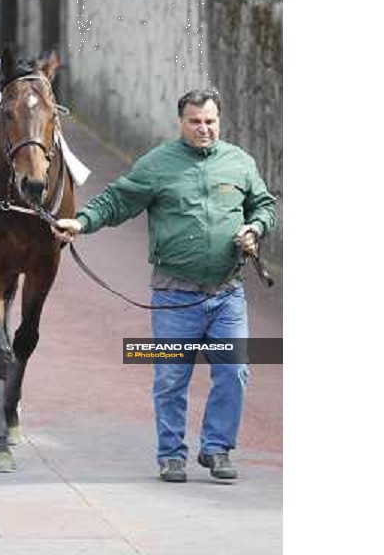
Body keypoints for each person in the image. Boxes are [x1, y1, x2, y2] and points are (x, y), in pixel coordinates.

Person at [53, 89, 277, 483]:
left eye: (210, 121)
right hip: (175, 296)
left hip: (228, 294)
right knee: (172, 378)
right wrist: (81, 222)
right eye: (195, 121)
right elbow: (116, 200)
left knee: (235, 372)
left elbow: (265, 206)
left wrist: (255, 228)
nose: (204, 128)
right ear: (181, 122)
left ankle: (217, 448)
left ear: (219, 121)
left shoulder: (239, 163)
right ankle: (171, 454)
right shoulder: (157, 165)